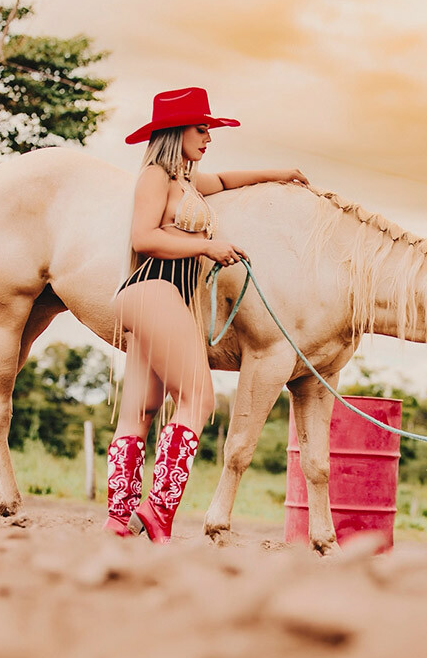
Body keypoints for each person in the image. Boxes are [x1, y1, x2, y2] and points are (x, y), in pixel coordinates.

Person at [104, 86, 308, 543]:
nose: (208, 137)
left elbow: (229, 179)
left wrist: (281, 174)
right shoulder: (155, 176)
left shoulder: (188, 182)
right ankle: (157, 510)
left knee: (141, 409)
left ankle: (119, 520)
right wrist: (207, 247)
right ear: (177, 131)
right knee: (198, 401)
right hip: (155, 288)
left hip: (154, 296)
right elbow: (143, 238)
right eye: (201, 129)